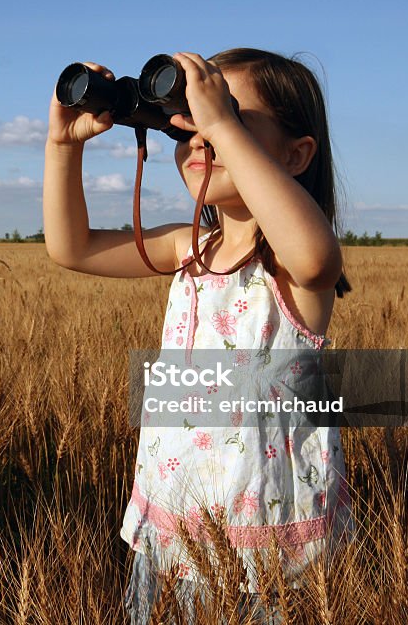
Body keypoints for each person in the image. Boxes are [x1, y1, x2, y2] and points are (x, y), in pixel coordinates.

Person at [43, 48, 355, 624]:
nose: (200, 138)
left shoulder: (290, 267)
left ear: (297, 153)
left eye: (231, 114)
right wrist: (64, 147)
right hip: (172, 528)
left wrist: (218, 125)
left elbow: (315, 255)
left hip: (269, 545)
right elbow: (72, 247)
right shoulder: (190, 247)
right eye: (187, 120)